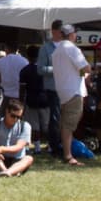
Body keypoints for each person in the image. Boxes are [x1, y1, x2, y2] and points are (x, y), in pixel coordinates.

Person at [52, 22, 89, 166]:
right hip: (74, 90)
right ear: (72, 35)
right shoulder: (73, 50)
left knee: (65, 125)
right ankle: (68, 155)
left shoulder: (56, 51)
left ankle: (66, 152)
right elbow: (86, 68)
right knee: (68, 126)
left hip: (62, 90)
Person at [37, 19, 64, 150]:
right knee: (55, 117)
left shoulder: (68, 46)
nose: (63, 33)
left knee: (66, 118)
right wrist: (57, 69)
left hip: (68, 88)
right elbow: (40, 69)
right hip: (53, 88)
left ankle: (65, 143)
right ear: (54, 31)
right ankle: (54, 145)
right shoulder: (45, 48)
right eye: (61, 31)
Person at [18, 45, 47, 146]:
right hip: (45, 100)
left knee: (34, 125)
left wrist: (21, 103)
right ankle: (51, 146)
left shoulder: (24, 71)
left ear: (27, 56)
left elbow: (22, 89)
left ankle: (37, 146)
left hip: (31, 100)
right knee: (47, 124)